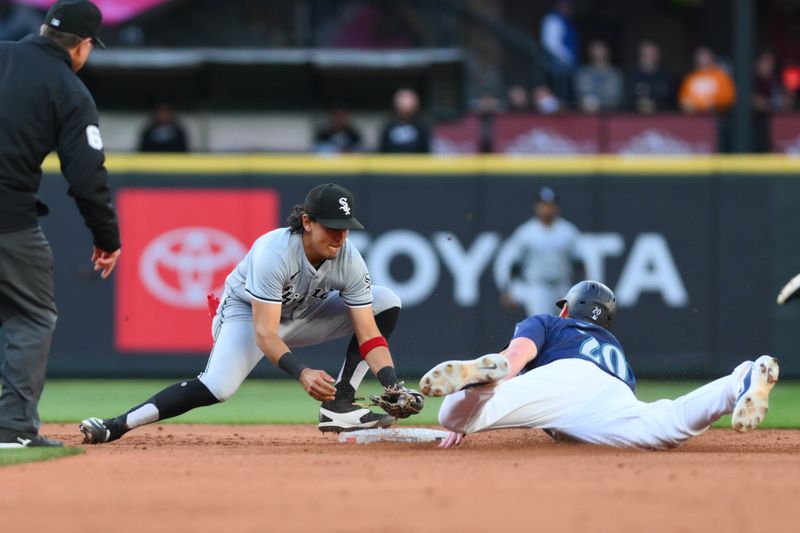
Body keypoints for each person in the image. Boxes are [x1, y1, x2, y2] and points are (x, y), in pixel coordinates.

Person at [80, 183, 424, 444]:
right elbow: (265, 333)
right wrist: (302, 373)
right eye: (332, 226)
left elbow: (367, 332)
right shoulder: (274, 252)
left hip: (303, 312)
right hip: (246, 315)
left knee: (385, 300)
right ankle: (117, 425)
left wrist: (392, 384)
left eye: (346, 226)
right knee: (217, 386)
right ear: (307, 222)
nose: (340, 235)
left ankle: (341, 407)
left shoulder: (348, 258)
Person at [420, 281, 779, 450]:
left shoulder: (551, 322)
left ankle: (479, 387)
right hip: (614, 393)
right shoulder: (616, 350)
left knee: (455, 416)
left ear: (567, 307)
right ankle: (741, 379)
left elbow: (515, 358)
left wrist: (486, 387)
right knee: (667, 425)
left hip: (560, 377)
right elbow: (565, 422)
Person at [0, 0, 121, 449]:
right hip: (8, 219)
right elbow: (87, 177)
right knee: (32, 316)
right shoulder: (68, 90)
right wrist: (107, 238)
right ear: (83, 46)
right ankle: (12, 427)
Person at [496, 187, 583, 317]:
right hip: (537, 287)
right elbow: (514, 265)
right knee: (541, 324)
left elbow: (579, 263)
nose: (547, 209)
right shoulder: (526, 232)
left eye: (551, 205)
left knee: (564, 326)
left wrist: (582, 291)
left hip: (562, 286)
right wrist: (508, 291)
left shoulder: (568, 231)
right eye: (544, 205)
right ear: (536, 207)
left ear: (557, 208)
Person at [540, 0, 579, 104]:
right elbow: (550, 44)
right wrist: (566, 58)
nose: (568, 9)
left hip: (566, 65)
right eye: (565, 5)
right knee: (559, 94)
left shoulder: (565, 20)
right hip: (557, 65)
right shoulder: (553, 19)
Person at [678, 46, 736, 113]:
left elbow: (729, 97)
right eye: (700, 56)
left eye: (704, 55)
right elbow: (683, 98)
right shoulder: (690, 78)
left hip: (716, 116)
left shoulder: (720, 76)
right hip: (694, 117)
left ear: (711, 57)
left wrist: (717, 103)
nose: (702, 59)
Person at [573, 40, 624, 112]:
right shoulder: (583, 73)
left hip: (610, 114)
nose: (598, 54)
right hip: (586, 114)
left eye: (600, 50)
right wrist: (590, 102)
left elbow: (616, 97)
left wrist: (599, 103)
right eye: (595, 50)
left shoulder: (615, 74)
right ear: (590, 52)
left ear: (607, 52)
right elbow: (580, 94)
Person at [378, 87, 431, 153]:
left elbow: (427, 151)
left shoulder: (422, 127)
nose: (406, 102)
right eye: (402, 98)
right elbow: (382, 150)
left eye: (409, 98)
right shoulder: (388, 126)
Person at [629, 40, 673, 113]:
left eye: (652, 53)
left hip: (661, 117)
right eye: (646, 53)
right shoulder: (631, 75)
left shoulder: (666, 76)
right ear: (640, 54)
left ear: (658, 55)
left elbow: (671, 100)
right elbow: (624, 100)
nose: (649, 56)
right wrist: (639, 104)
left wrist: (655, 104)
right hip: (635, 118)